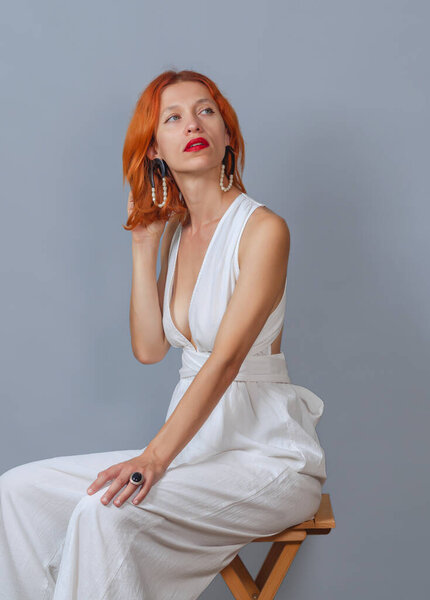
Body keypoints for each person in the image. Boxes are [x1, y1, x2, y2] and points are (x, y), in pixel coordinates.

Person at [0, 69, 327, 600]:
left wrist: (154, 458)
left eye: (206, 111)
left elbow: (224, 361)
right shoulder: (175, 233)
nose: (192, 124)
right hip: (196, 451)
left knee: (106, 516)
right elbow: (151, 349)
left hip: (267, 457)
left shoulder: (264, 230)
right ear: (155, 149)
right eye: (172, 118)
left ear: (227, 134)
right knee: (16, 492)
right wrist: (144, 242)